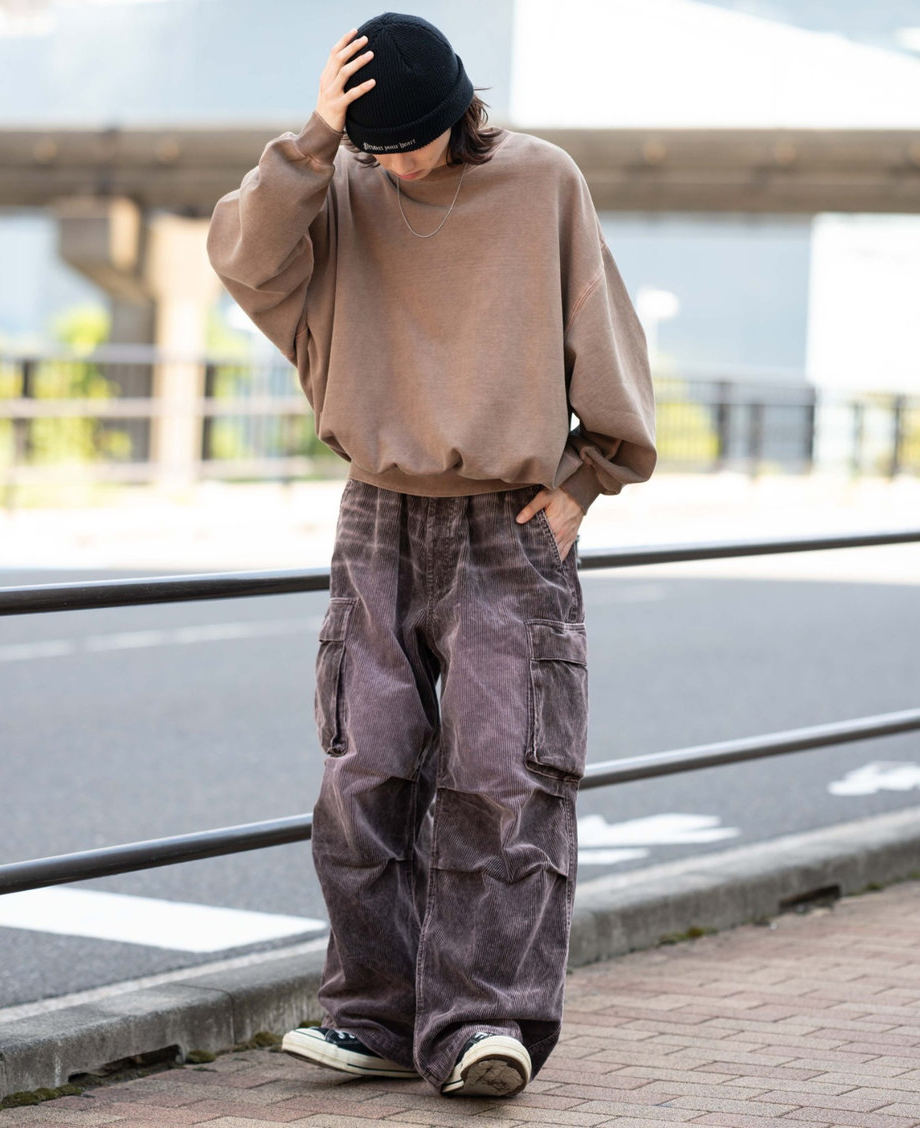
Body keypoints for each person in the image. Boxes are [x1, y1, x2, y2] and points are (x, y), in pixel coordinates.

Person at [206, 10, 656, 1099]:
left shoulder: (540, 181)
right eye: (379, 145)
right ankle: (374, 1016)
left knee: (504, 777)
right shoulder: (339, 185)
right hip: (378, 514)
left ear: (461, 109)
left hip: (508, 519)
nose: (399, 163)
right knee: (362, 773)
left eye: (412, 140)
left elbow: (602, 333)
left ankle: (482, 1024)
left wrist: (587, 478)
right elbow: (243, 258)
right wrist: (318, 138)